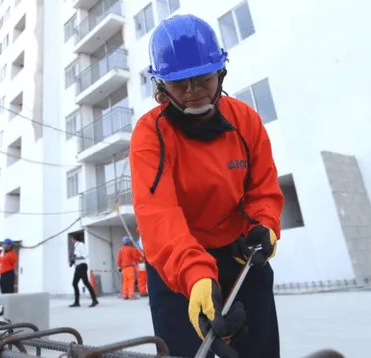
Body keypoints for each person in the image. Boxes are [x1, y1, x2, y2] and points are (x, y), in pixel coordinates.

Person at [129, 14, 284, 358]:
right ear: (160, 87)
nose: (193, 91)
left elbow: (263, 188)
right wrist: (195, 274)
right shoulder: (149, 135)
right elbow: (158, 214)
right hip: (176, 265)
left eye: (203, 78)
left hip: (240, 253)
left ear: (221, 72)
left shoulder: (246, 120)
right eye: (179, 84)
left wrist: (265, 224)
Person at [69, 236, 98, 308]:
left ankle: (94, 300)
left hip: (82, 266)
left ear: (74, 239)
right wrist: (73, 260)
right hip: (78, 267)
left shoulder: (81, 245)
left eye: (71, 239)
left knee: (86, 283)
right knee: (74, 283)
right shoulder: (76, 247)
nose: (71, 241)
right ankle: (76, 302)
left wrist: (75, 257)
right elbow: (77, 256)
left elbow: (85, 255)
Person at [0, 238, 18, 316]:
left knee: (8, 293)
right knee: (3, 293)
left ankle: (10, 309)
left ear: (9, 245)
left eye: (5, 245)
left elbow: (13, 263)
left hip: (9, 274)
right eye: (3, 245)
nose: (3, 246)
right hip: (3, 275)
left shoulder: (12, 254)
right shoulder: (4, 254)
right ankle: (4, 309)